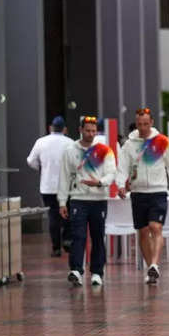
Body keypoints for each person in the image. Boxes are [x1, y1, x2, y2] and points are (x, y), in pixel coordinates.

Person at [117, 107, 169, 284]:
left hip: (158, 190)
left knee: (156, 227)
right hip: (138, 192)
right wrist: (121, 185)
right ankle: (150, 268)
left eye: (146, 124)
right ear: (136, 124)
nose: (143, 127)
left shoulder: (161, 141)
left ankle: (155, 264)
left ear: (151, 123)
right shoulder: (129, 144)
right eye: (139, 124)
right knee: (143, 231)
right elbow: (123, 167)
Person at [57, 116, 116, 287]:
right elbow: (64, 176)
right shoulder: (70, 150)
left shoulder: (104, 150)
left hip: (98, 199)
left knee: (98, 236)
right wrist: (62, 202)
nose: (90, 134)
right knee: (78, 235)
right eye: (87, 130)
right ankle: (76, 270)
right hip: (78, 199)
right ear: (80, 130)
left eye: (93, 131)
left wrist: (99, 182)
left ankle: (97, 272)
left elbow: (111, 173)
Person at [26, 115, 73, 257]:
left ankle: (56, 247)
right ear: (65, 129)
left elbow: (31, 161)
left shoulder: (41, 142)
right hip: (66, 186)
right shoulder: (70, 142)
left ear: (50, 128)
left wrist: (41, 167)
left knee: (53, 215)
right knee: (67, 212)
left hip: (47, 186)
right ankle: (67, 239)